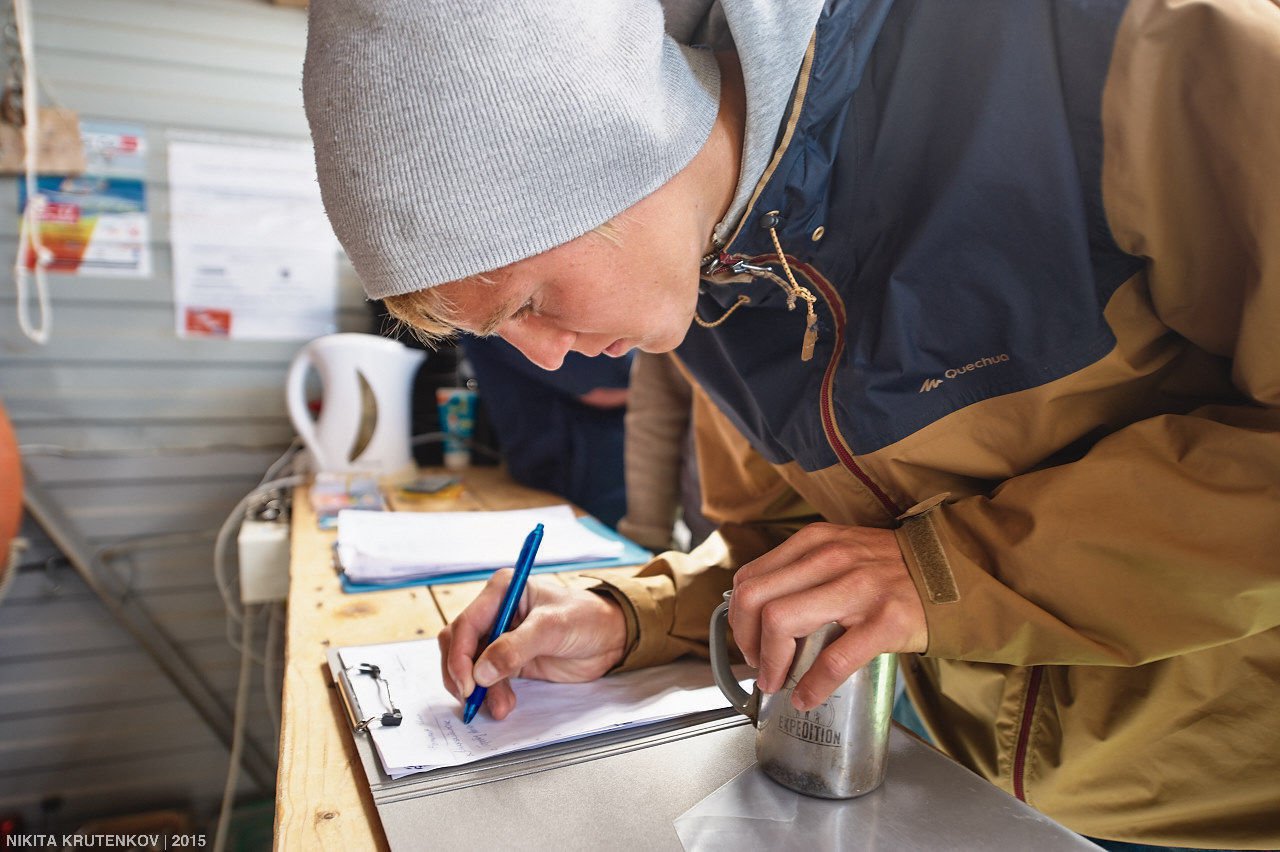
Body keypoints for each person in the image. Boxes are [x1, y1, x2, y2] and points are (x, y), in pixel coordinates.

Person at [303, 2, 1280, 849]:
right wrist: (630, 616)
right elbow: (797, 559)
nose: (546, 359)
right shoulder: (712, 279)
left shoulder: (1105, 47)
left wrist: (948, 572)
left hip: (1218, 806)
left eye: (525, 301)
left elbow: (922, 574)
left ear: (605, 150)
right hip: (969, 798)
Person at [462, 336, 632, 528]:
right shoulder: (506, 326)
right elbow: (602, 382)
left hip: (597, 465)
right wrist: (651, 382)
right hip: (572, 472)